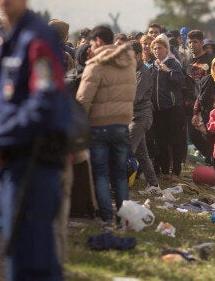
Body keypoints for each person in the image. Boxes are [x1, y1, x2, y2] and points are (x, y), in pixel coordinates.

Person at [0, 0, 70, 279]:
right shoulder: (5, 39)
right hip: (9, 164)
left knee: (31, 264)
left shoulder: (37, 40)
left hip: (33, 165)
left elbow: (44, 101)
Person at [76, 25, 137, 228]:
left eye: (91, 44)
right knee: (120, 174)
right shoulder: (129, 62)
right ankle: (123, 218)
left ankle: (106, 218)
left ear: (99, 41)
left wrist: (80, 125)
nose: (90, 48)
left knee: (101, 173)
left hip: (98, 126)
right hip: (122, 124)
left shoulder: (96, 64)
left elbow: (83, 99)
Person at [150, 36, 185, 180]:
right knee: (161, 141)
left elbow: (181, 81)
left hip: (173, 107)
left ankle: (176, 172)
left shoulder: (173, 63)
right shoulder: (152, 66)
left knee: (175, 140)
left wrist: (168, 71)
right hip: (158, 109)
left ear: (166, 49)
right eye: (155, 48)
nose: (157, 51)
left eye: (160, 48)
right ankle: (164, 171)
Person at [128, 41, 160, 194]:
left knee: (126, 150)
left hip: (140, 116)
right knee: (142, 153)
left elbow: (135, 97)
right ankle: (153, 184)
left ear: (139, 55)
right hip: (134, 116)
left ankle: (117, 185)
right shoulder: (132, 70)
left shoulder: (143, 72)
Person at [186, 30, 215, 163]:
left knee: (210, 133)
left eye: (195, 42)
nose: (192, 45)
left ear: (202, 43)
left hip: (208, 104)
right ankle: (210, 157)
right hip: (191, 104)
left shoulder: (210, 59)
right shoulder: (186, 60)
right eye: (190, 42)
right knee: (193, 135)